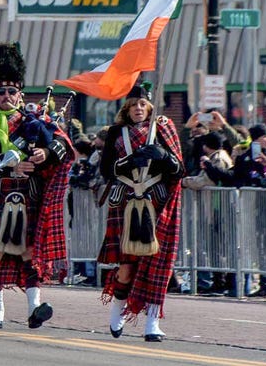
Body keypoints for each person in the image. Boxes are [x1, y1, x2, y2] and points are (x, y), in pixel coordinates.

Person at [0, 42, 73, 332]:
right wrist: (10, 164)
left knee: (28, 251)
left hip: (27, 194)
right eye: (0, 91)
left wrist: (45, 154)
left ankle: (34, 307)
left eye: (12, 91)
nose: (6, 97)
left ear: (20, 93)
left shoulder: (35, 119)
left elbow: (62, 143)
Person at [97, 83, 184, 342]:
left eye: (143, 104)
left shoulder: (163, 130)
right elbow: (106, 171)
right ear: (126, 108)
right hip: (126, 202)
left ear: (150, 107)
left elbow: (179, 170)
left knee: (156, 265)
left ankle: (152, 323)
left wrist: (164, 157)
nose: (138, 108)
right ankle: (117, 311)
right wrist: (127, 162)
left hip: (155, 203)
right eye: (133, 104)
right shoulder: (116, 133)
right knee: (126, 266)